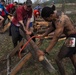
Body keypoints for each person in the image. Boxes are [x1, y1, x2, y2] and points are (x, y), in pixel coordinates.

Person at [38, 5, 76, 75]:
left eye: (46, 19)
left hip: (73, 38)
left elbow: (55, 38)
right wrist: (43, 35)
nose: (46, 21)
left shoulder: (61, 21)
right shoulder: (55, 15)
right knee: (72, 55)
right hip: (71, 36)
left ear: (50, 15)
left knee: (58, 59)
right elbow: (52, 26)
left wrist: (46, 51)